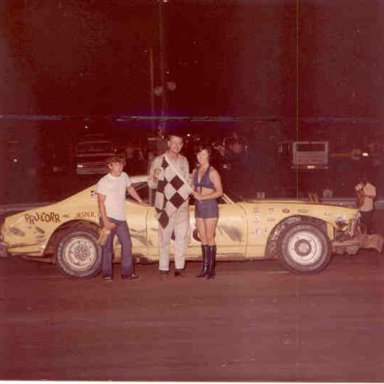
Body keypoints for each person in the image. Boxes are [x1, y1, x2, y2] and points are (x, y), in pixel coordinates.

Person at [148, 134, 191, 278]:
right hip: (165, 205)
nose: (176, 146)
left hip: (182, 205)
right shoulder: (159, 160)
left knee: (181, 238)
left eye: (179, 143)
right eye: (174, 143)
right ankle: (163, 268)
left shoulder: (184, 161)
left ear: (182, 145)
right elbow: (151, 184)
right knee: (164, 239)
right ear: (168, 143)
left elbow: (186, 183)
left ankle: (179, 268)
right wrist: (153, 176)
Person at [96, 156, 146, 281]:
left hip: (121, 218)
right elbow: (100, 203)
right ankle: (107, 274)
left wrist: (140, 200)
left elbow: (130, 188)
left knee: (127, 244)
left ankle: (127, 273)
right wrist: (106, 221)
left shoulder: (124, 176)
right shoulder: (104, 181)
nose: (119, 168)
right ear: (110, 166)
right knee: (107, 247)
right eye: (116, 165)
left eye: (121, 165)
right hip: (108, 218)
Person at [192, 145, 223, 279]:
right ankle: (204, 268)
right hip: (199, 206)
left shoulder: (213, 172)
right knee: (202, 237)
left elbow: (219, 192)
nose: (201, 157)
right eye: (199, 154)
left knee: (210, 237)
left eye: (204, 154)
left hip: (210, 206)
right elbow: (193, 188)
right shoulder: (195, 171)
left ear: (209, 156)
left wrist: (203, 197)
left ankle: (211, 270)